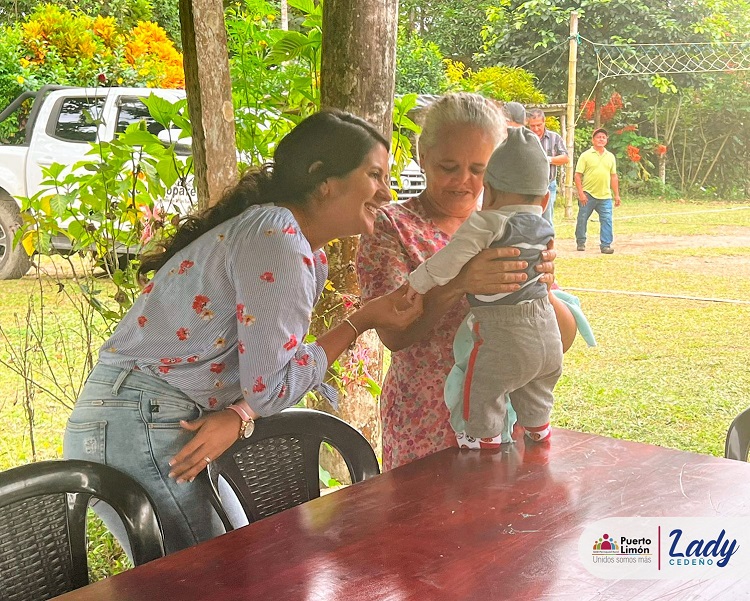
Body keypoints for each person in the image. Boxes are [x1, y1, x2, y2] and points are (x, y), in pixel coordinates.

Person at [63, 109, 423, 556]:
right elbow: (272, 389)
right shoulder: (278, 237)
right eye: (375, 175)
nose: (387, 192)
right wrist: (359, 321)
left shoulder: (299, 247)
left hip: (158, 414)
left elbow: (266, 373)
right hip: (140, 418)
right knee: (215, 575)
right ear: (323, 179)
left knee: (238, 564)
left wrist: (238, 416)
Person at [356, 93, 578, 471]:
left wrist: (541, 286)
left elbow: (563, 338)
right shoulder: (391, 227)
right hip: (426, 423)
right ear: (422, 157)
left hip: (505, 419)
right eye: (448, 166)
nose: (463, 180)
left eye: (478, 169)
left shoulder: (509, 228)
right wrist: (460, 282)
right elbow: (394, 335)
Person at [406, 128, 563, 448]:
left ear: (487, 192)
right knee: (536, 390)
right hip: (548, 334)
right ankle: (538, 429)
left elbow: (449, 259)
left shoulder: (486, 222)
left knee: (483, 387)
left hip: (505, 332)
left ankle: (484, 437)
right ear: (546, 198)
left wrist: (417, 282)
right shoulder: (545, 228)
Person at [574, 127, 621, 254]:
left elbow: (613, 176)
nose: (601, 139)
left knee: (607, 220)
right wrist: (581, 193)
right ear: (593, 140)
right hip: (588, 194)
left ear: (606, 140)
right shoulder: (585, 155)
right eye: (598, 137)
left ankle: (606, 245)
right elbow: (577, 175)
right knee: (582, 219)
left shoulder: (610, 156)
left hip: (605, 195)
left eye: (603, 137)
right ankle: (581, 241)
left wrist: (616, 195)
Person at [527, 108, 569, 228]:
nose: (536, 129)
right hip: (528, 186)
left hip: (548, 184)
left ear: (544, 122)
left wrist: (548, 159)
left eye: (539, 125)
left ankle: (548, 240)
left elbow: (565, 158)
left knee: (546, 219)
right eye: (532, 126)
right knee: (530, 219)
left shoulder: (555, 138)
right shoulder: (524, 138)